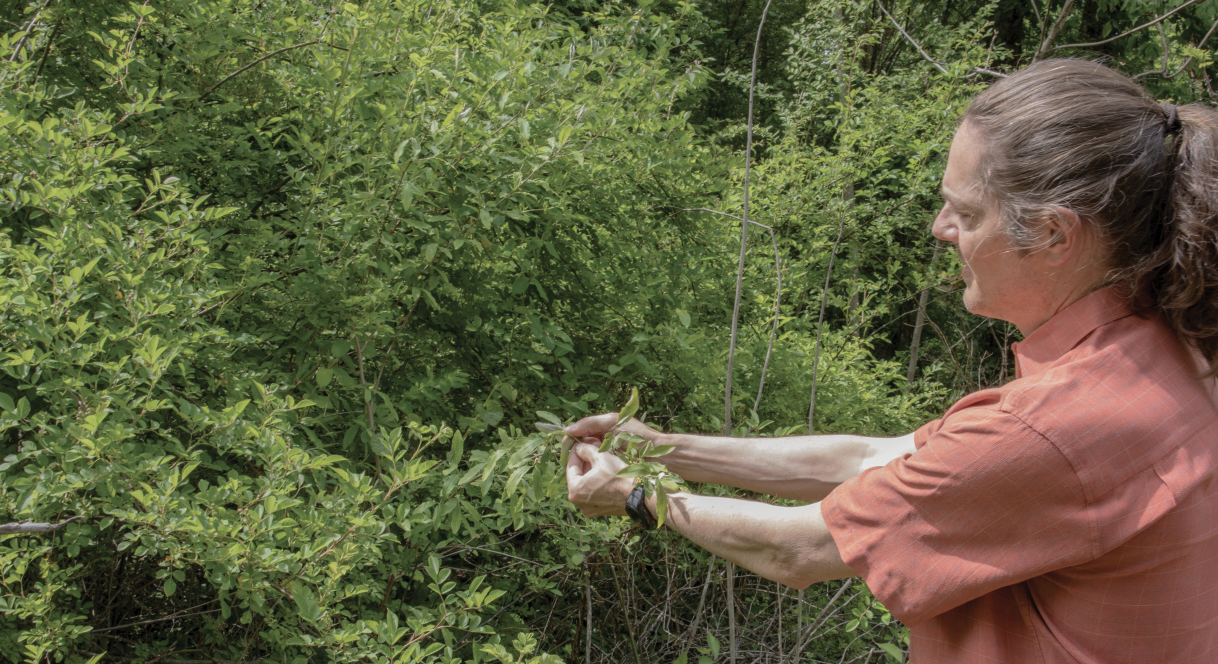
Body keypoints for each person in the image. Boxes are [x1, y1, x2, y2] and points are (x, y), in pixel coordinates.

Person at [563, 59, 1218, 663]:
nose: (940, 228)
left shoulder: (1057, 427)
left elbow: (800, 548)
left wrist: (634, 495)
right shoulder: (1162, 346)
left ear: (1054, 234)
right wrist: (665, 448)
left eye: (964, 211)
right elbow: (874, 459)